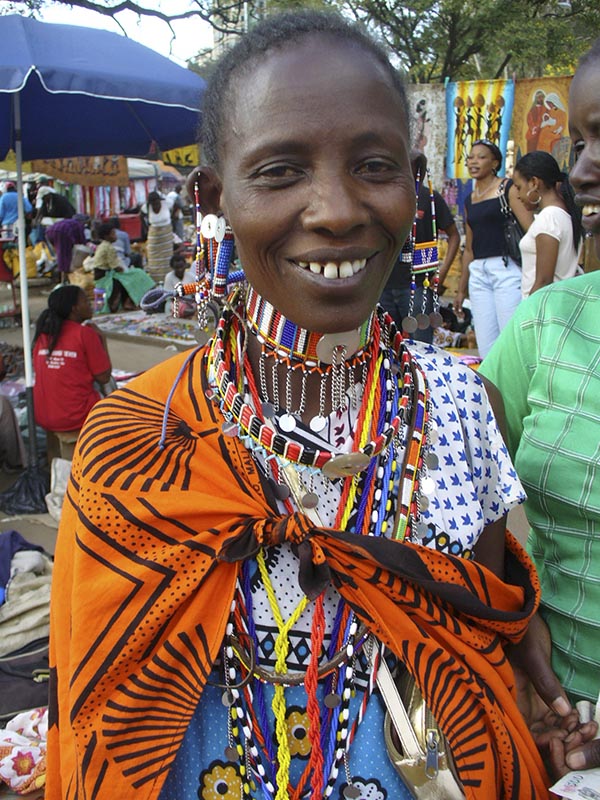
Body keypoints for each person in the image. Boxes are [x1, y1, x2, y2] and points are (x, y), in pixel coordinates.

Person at [47, 12, 577, 799]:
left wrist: (541, 716)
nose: (334, 209)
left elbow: (476, 657)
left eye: (373, 165)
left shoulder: (464, 406)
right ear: (213, 194)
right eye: (280, 171)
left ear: (413, 181)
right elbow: (98, 718)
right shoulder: (137, 432)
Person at [480, 37, 600, 777]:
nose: (585, 167)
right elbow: (459, 480)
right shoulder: (548, 324)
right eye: (585, 139)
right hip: (567, 732)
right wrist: (511, 641)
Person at [454, 139, 533, 358]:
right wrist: (461, 290)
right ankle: (493, 389)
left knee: (510, 336)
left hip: (506, 268)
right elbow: (469, 248)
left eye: (481, 157)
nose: (473, 162)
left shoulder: (506, 188)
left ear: (495, 163)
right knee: (486, 340)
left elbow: (531, 230)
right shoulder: (470, 199)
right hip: (479, 272)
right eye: (470, 157)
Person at [379, 150, 460, 344]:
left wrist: (442, 273)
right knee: (385, 348)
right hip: (383, 285)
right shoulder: (382, 197)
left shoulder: (429, 197)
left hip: (419, 286)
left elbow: (454, 235)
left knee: (421, 347)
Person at [32, 285, 112, 461]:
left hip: (44, 414)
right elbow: (104, 376)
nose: (90, 304)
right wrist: (102, 340)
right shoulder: (85, 333)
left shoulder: (43, 336)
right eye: (85, 300)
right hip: (73, 417)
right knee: (116, 400)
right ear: (74, 308)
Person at [512, 151, 582, 297]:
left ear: (534, 183)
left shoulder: (549, 218)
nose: (518, 195)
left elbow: (543, 281)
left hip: (543, 309)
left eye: (519, 187)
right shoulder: (563, 214)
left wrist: (527, 315)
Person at [93, 221, 155, 313]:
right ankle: (129, 301)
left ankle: (128, 300)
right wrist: (125, 270)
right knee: (137, 274)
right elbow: (115, 267)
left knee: (130, 275)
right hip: (105, 277)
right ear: (106, 236)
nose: (115, 236)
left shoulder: (102, 245)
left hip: (104, 274)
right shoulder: (109, 248)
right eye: (113, 234)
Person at [143, 190, 174, 283]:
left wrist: (173, 217)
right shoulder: (146, 207)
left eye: (157, 201)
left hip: (166, 235)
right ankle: (156, 281)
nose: (156, 204)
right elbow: (141, 215)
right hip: (154, 236)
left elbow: (177, 206)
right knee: (153, 259)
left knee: (167, 257)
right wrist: (146, 228)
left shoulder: (166, 203)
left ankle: (167, 281)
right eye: (153, 202)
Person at [162, 252, 196, 316]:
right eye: (177, 267)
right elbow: (169, 296)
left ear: (185, 265)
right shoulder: (169, 277)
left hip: (190, 302)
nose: (180, 270)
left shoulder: (191, 276)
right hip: (174, 303)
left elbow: (195, 294)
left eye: (181, 267)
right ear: (172, 267)